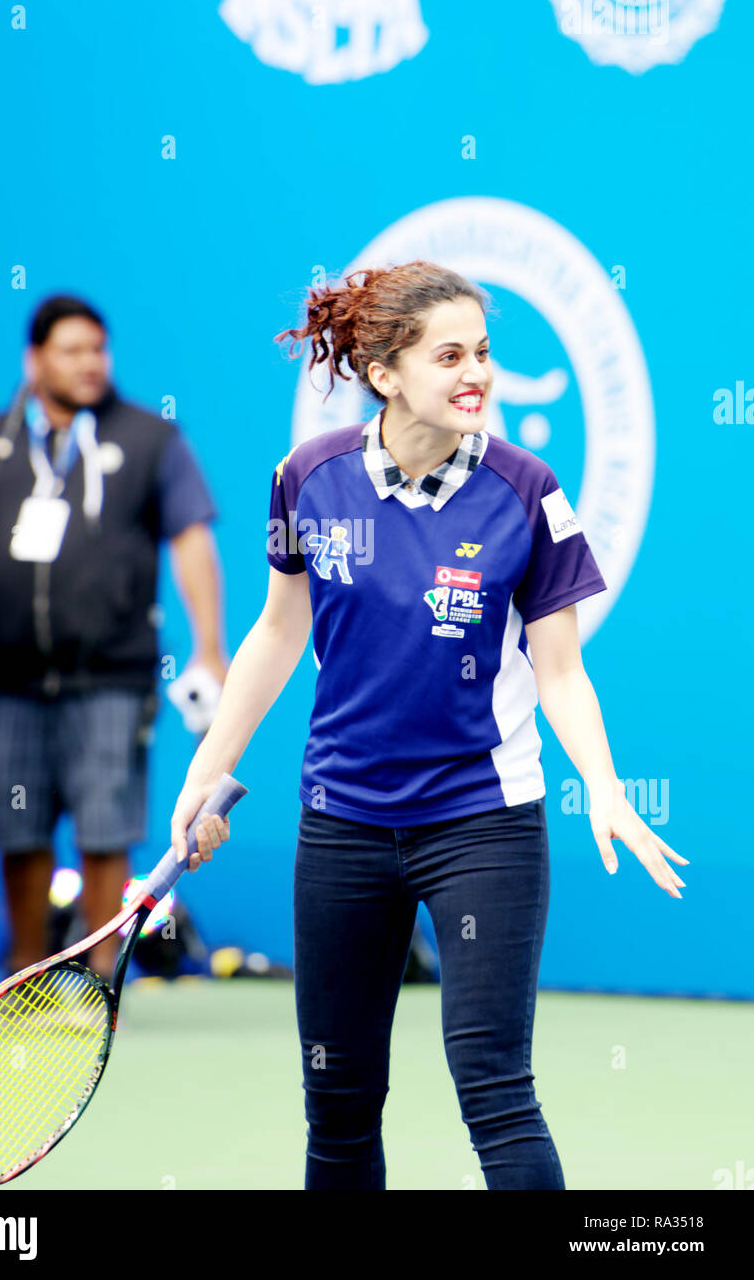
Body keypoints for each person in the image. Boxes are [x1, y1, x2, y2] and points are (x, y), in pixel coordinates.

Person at [167, 261, 689, 1191]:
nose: (476, 374)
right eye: (449, 356)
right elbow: (278, 632)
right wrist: (210, 766)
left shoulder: (527, 491)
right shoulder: (308, 480)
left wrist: (604, 788)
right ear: (386, 373)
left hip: (483, 824)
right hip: (342, 825)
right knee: (337, 1100)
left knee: (496, 1089)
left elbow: (561, 670)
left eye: (482, 353)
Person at [0, 294, 227, 980]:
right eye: (71, 351)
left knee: (106, 835)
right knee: (21, 833)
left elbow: (192, 538)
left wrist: (209, 649)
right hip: (10, 680)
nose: (89, 364)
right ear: (33, 360)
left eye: (98, 350)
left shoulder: (149, 439)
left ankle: (100, 981)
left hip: (111, 677)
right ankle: (22, 974)